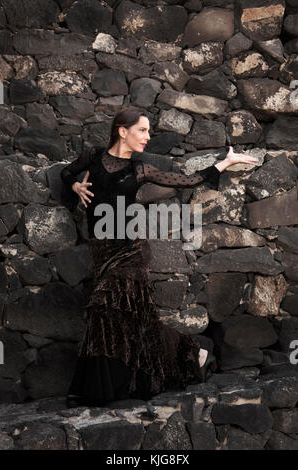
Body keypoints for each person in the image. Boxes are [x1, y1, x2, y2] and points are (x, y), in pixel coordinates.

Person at [61, 106, 258, 408]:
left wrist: (225, 163)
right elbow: (66, 173)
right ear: (122, 131)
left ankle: (98, 390)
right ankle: (196, 354)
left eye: (149, 131)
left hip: (130, 253)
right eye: (142, 130)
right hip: (102, 254)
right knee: (136, 323)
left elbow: (188, 181)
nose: (148, 136)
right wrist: (75, 186)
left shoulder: (139, 169)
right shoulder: (93, 155)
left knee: (103, 309)